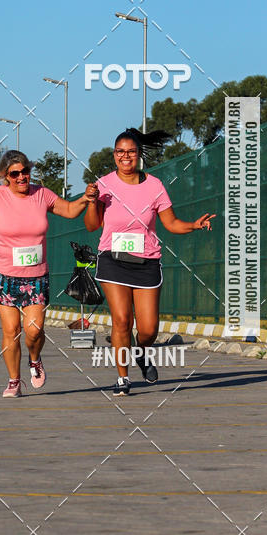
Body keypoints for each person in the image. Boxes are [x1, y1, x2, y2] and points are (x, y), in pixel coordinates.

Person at [0, 150, 97, 398]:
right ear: (5, 176)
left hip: (36, 276)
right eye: (15, 174)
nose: (21, 177)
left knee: (34, 330)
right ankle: (14, 380)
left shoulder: (41, 194)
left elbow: (69, 210)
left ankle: (35, 359)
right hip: (4, 275)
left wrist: (86, 199)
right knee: (11, 331)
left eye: (25, 171)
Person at [85, 127, 215, 396]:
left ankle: (141, 352)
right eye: (120, 152)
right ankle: (122, 378)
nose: (125, 156)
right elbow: (91, 225)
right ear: (114, 155)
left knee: (148, 329)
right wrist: (92, 202)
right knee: (122, 320)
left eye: (131, 151)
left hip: (147, 262)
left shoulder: (155, 186)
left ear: (139, 154)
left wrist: (193, 225)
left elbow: (172, 223)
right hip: (112, 259)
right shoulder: (104, 184)